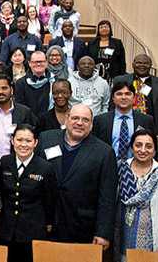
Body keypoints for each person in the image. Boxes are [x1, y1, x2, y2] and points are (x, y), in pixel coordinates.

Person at [38, 104, 116, 251]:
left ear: (92, 125)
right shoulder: (46, 139)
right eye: (75, 118)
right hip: (46, 223)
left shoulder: (104, 152)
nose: (79, 123)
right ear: (66, 120)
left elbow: (107, 196)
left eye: (85, 120)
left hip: (82, 227)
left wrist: (103, 232)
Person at [0, 124, 57, 262]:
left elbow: (50, 200)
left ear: (35, 143)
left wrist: (48, 224)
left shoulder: (45, 168)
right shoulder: (5, 162)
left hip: (33, 231)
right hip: (7, 229)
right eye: (19, 140)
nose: (23, 144)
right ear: (12, 141)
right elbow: (3, 193)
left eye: (28, 141)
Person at [116, 129, 158, 260]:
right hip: (122, 239)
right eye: (138, 145)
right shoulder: (121, 168)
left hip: (150, 244)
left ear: (155, 150)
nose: (143, 150)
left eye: (149, 146)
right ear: (132, 147)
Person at [91, 81, 155, 160]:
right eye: (119, 94)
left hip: (137, 167)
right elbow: (93, 148)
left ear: (134, 98)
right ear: (113, 98)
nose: (123, 97)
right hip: (107, 166)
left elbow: (153, 148)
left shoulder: (146, 120)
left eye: (128, 94)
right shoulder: (100, 120)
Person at [0, 74, 37, 158]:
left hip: (16, 162)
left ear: (11, 90)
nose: (1, 92)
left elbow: (33, 136)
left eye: (4, 88)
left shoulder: (24, 112)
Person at [112, 54, 158, 135]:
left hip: (154, 127)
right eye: (139, 63)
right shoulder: (120, 80)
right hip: (126, 125)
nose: (142, 65)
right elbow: (112, 105)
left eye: (146, 63)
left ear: (150, 65)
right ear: (133, 64)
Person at [14, 51, 52, 117]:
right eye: (35, 62)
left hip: (49, 122)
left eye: (41, 61)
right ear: (29, 63)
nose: (38, 64)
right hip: (28, 122)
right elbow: (19, 107)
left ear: (46, 63)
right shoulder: (20, 83)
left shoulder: (53, 81)